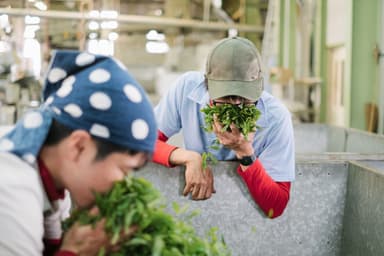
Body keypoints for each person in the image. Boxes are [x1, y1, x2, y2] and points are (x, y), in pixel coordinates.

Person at [0, 50, 157, 255]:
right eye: (124, 170)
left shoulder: (57, 187)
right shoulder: (10, 189)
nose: (124, 186)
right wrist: (75, 250)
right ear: (79, 146)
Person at [152, 36, 295, 218]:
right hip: (195, 210)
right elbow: (142, 141)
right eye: (227, 96)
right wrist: (187, 157)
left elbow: (276, 206)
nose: (236, 104)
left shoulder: (276, 117)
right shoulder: (186, 89)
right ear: (207, 85)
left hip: (245, 220)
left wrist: (245, 153)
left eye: (244, 97)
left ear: (259, 85)